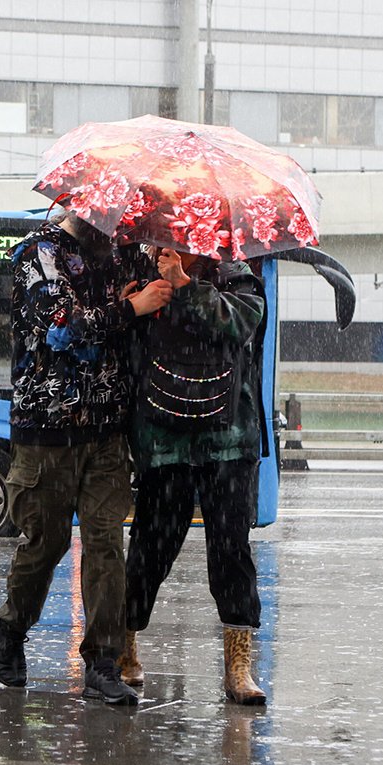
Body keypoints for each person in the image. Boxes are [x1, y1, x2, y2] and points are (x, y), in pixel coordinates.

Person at [0, 211, 172, 705]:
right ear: (79, 207)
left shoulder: (124, 254)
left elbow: (156, 305)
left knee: (106, 545)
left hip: (107, 431)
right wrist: (129, 308)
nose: (111, 224)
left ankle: (102, 662)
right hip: (45, 429)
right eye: (104, 215)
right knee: (45, 546)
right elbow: (60, 326)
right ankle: (11, 626)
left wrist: (166, 277)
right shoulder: (38, 253)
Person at [118, 246, 269, 705]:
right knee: (150, 547)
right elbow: (125, 346)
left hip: (229, 433)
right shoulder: (141, 269)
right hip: (164, 436)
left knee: (232, 549)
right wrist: (135, 303)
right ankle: (125, 646)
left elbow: (240, 325)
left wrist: (186, 286)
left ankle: (238, 667)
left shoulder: (235, 273)